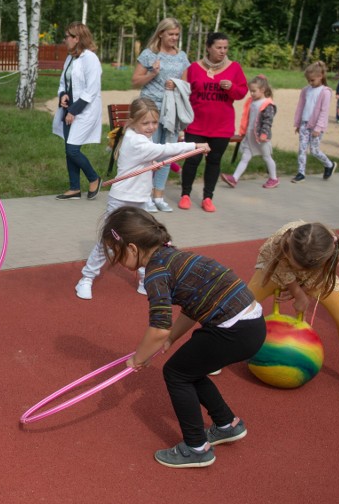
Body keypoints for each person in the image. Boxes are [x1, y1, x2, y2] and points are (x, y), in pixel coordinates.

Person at [100, 207, 265, 468]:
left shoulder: (155, 273)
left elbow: (158, 328)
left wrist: (138, 359)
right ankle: (226, 424)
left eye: (114, 251)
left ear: (131, 248)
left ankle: (196, 448)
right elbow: (191, 308)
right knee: (189, 369)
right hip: (251, 324)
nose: (115, 259)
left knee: (176, 373)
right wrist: (171, 340)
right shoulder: (171, 256)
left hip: (231, 330)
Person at [75, 98, 207, 300]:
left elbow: (153, 154)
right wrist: (194, 145)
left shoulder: (141, 137)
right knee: (109, 242)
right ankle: (86, 278)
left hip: (140, 200)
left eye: (154, 123)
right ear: (133, 121)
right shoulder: (134, 140)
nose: (151, 127)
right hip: (122, 200)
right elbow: (164, 150)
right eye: (146, 123)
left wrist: (152, 162)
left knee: (145, 241)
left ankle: (144, 280)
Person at [248, 221, 339, 403]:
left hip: (316, 277)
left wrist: (304, 289)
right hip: (277, 267)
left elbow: (320, 275)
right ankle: (216, 353)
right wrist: (297, 292)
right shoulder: (280, 242)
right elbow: (283, 267)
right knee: (242, 305)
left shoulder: (334, 249)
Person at [179, 32, 248, 213]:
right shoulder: (194, 67)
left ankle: (208, 198)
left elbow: (241, 93)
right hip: (196, 124)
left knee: (214, 162)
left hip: (221, 126)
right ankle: (185, 195)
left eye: (225, 48)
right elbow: (184, 92)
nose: (223, 51)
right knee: (192, 160)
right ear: (208, 47)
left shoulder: (234, 68)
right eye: (218, 47)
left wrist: (231, 87)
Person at [131, 17, 191, 213]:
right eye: (171, 34)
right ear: (161, 33)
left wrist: (177, 85)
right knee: (151, 152)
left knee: (169, 152)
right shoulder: (149, 55)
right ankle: (145, 196)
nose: (174, 38)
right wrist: (152, 74)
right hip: (152, 107)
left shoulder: (182, 56)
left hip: (172, 108)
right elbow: (135, 81)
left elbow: (186, 84)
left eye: (177, 35)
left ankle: (159, 195)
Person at [53, 22, 103, 201]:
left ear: (77, 38)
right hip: (70, 108)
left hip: (84, 110)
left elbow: (92, 89)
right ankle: (74, 187)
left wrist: (73, 110)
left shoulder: (90, 58)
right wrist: (63, 95)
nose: (65, 39)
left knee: (73, 149)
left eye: (67, 36)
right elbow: (63, 82)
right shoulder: (71, 58)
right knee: (68, 149)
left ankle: (94, 177)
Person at [221, 75, 278, 188]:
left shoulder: (267, 104)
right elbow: (247, 118)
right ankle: (234, 178)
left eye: (253, 91)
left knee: (267, 157)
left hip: (261, 137)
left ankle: (274, 178)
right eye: (250, 91)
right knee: (245, 157)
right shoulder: (252, 102)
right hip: (250, 135)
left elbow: (268, 121)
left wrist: (264, 133)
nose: (251, 93)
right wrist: (244, 131)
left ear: (262, 90)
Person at [292, 61, 337, 183]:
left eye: (312, 80)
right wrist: (297, 123)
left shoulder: (325, 92)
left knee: (314, 151)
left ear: (320, 76)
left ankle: (329, 164)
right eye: (308, 80)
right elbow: (300, 107)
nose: (310, 83)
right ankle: (301, 173)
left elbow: (324, 111)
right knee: (302, 149)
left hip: (317, 126)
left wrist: (318, 128)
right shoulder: (305, 90)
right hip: (304, 124)